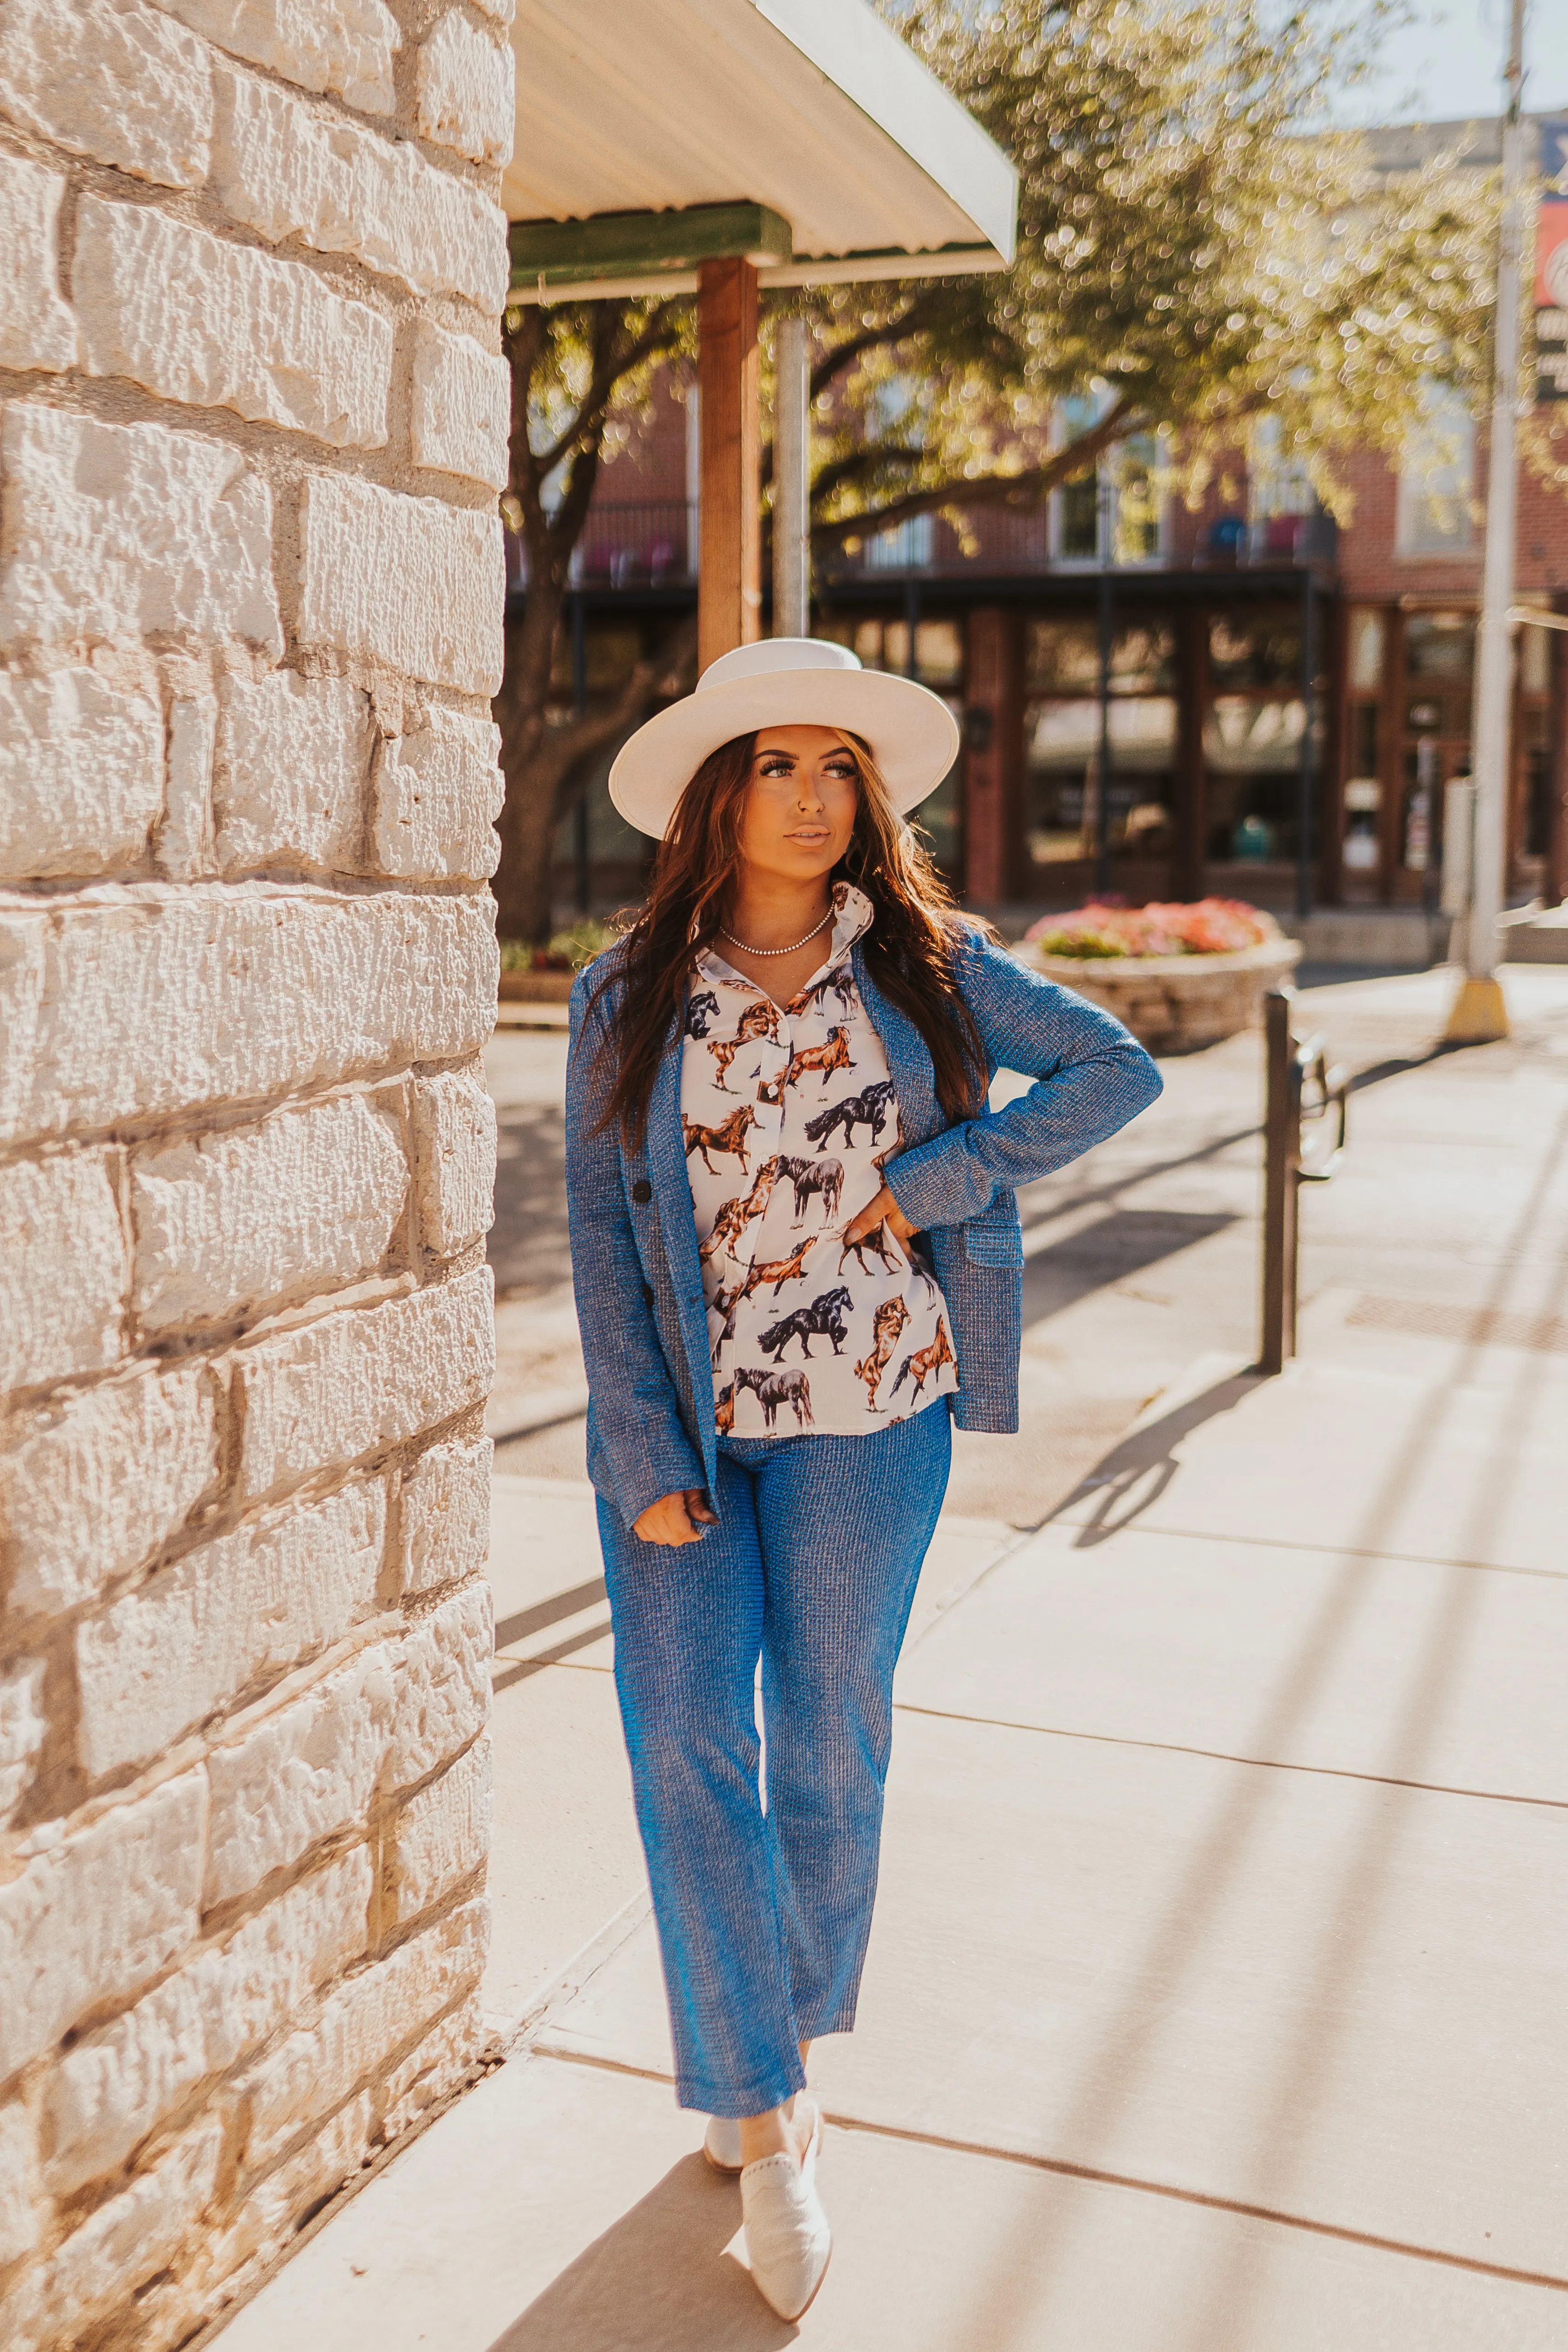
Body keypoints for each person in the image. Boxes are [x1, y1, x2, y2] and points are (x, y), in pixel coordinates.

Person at [564, 638, 1162, 2319]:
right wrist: (633, 1447)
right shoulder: (629, 989)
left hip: (871, 1406)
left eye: (842, 770)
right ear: (718, 792)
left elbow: (1118, 1068)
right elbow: (606, 1248)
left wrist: (949, 1174)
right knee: (684, 1732)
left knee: (827, 1735)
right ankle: (765, 2103)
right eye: (780, 765)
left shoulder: (924, 966)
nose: (817, 798)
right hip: (691, 1426)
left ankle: (768, 2088)